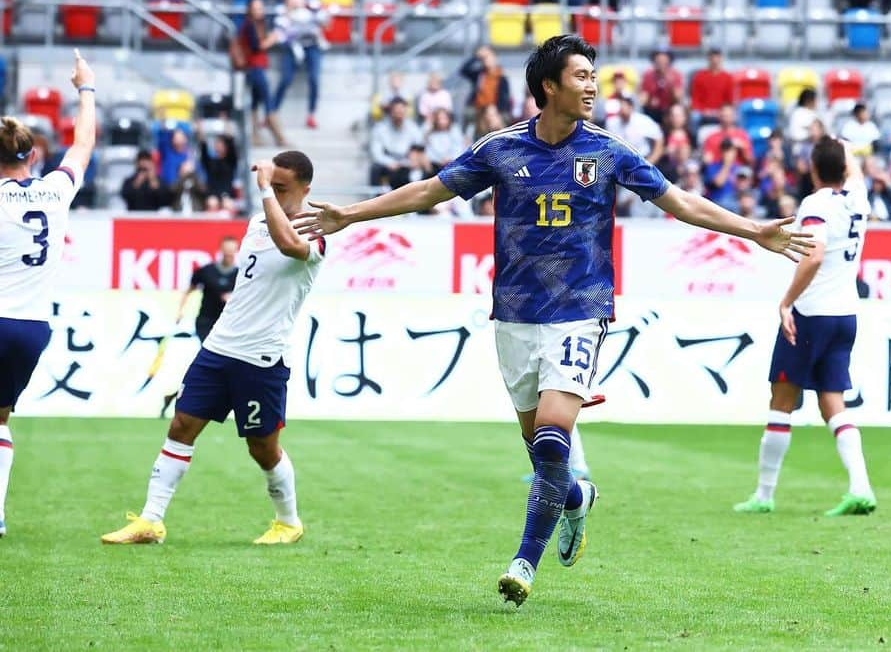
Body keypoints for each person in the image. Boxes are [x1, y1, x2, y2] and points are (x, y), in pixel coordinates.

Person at [292, 35, 811, 607]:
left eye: (593, 75)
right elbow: (430, 191)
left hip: (581, 312)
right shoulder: (501, 149)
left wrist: (753, 229)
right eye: (582, 76)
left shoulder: (609, 151)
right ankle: (574, 500)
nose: (592, 85)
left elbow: (679, 201)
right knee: (544, 456)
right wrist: (352, 213)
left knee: (553, 440)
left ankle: (524, 563)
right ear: (549, 86)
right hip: (514, 316)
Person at [102, 151, 326, 546]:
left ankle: (288, 522)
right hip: (219, 348)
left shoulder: (315, 232)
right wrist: (268, 200)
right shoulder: (257, 222)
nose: (272, 192)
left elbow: (290, 245)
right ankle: (151, 521)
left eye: (281, 188)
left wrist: (264, 194)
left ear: (305, 190)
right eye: (270, 185)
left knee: (262, 448)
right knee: (181, 425)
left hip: (262, 357)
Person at [734, 139, 875, 517]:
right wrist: (846, 149)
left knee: (781, 400)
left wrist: (786, 302)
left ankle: (764, 495)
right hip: (846, 314)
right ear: (846, 167)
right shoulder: (857, 199)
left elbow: (813, 255)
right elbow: (856, 170)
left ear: (812, 169)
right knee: (834, 402)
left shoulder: (816, 205)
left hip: (811, 313)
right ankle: (861, 487)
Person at [0, 50, 96, 538]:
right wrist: (86, 89)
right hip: (32, 327)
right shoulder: (55, 191)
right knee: (0, 418)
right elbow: (82, 144)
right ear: (32, 154)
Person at [160, 236, 240, 414]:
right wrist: (180, 310)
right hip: (206, 323)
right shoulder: (206, 271)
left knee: (221, 365)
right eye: (226, 250)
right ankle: (202, 402)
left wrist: (232, 299)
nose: (229, 254)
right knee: (215, 361)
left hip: (228, 325)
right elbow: (189, 290)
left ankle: (175, 396)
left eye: (232, 251)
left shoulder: (240, 274)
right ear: (221, 250)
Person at [271, 0, 329, 130]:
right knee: (285, 79)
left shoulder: (312, 3)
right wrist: (289, 11)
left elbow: (325, 21)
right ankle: (272, 113)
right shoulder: (280, 8)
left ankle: (311, 114)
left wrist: (307, 7)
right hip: (292, 47)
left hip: (312, 45)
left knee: (314, 79)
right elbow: (279, 32)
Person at [237, 0, 285, 146]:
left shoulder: (259, 25)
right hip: (254, 67)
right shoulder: (249, 25)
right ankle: (278, 135)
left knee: (256, 102)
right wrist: (271, 39)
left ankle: (255, 136)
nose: (259, 11)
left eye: (261, 8)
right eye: (256, 8)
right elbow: (256, 47)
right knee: (267, 100)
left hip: (258, 67)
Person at [369, 97, 424, 186]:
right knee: (375, 168)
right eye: (396, 111)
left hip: (407, 164)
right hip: (387, 164)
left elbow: (419, 148)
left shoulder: (413, 128)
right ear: (390, 112)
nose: (399, 114)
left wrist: (412, 161)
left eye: (401, 111)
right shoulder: (380, 128)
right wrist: (390, 163)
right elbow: (376, 153)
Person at [606, 94, 663, 165]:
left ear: (631, 107)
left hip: (642, 160)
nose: (622, 108)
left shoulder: (643, 121)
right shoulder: (612, 123)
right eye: (621, 105)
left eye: (625, 105)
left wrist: (650, 162)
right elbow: (607, 145)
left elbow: (659, 138)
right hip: (620, 162)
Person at [460, 46, 512, 121]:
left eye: (488, 57)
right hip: (478, 109)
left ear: (495, 58)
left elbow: (504, 100)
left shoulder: (501, 78)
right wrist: (476, 56)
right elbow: (464, 70)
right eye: (484, 58)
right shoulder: (479, 75)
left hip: (495, 111)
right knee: (468, 112)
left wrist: (496, 110)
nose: (486, 60)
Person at [688, 50, 734, 129]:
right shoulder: (699, 76)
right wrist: (703, 110)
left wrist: (721, 111)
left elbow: (729, 100)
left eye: (717, 57)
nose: (715, 60)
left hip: (721, 110)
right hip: (703, 111)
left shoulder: (727, 78)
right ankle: (694, 139)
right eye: (712, 57)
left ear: (721, 59)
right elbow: (695, 99)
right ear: (708, 59)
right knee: (694, 117)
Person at [197, 123, 238, 204]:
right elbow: (203, 148)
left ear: (226, 147)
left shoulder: (230, 161)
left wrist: (228, 131)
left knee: (227, 203)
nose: (218, 146)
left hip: (226, 194)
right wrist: (201, 132)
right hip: (212, 194)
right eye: (217, 144)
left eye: (221, 144)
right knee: (212, 202)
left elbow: (231, 146)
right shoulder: (209, 162)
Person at [640, 50, 684, 124]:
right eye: (659, 61)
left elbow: (678, 98)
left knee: (676, 111)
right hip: (652, 110)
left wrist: (670, 83)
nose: (661, 64)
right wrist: (650, 100)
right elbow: (643, 100)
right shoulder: (648, 75)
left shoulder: (676, 75)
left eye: (664, 61)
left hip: (669, 109)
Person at [425, 108, 467, 173]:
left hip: (454, 163)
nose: (441, 122)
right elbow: (429, 152)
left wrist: (451, 158)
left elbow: (458, 147)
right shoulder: (431, 134)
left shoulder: (455, 130)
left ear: (449, 119)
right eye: (439, 119)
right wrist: (440, 160)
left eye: (444, 118)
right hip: (436, 165)